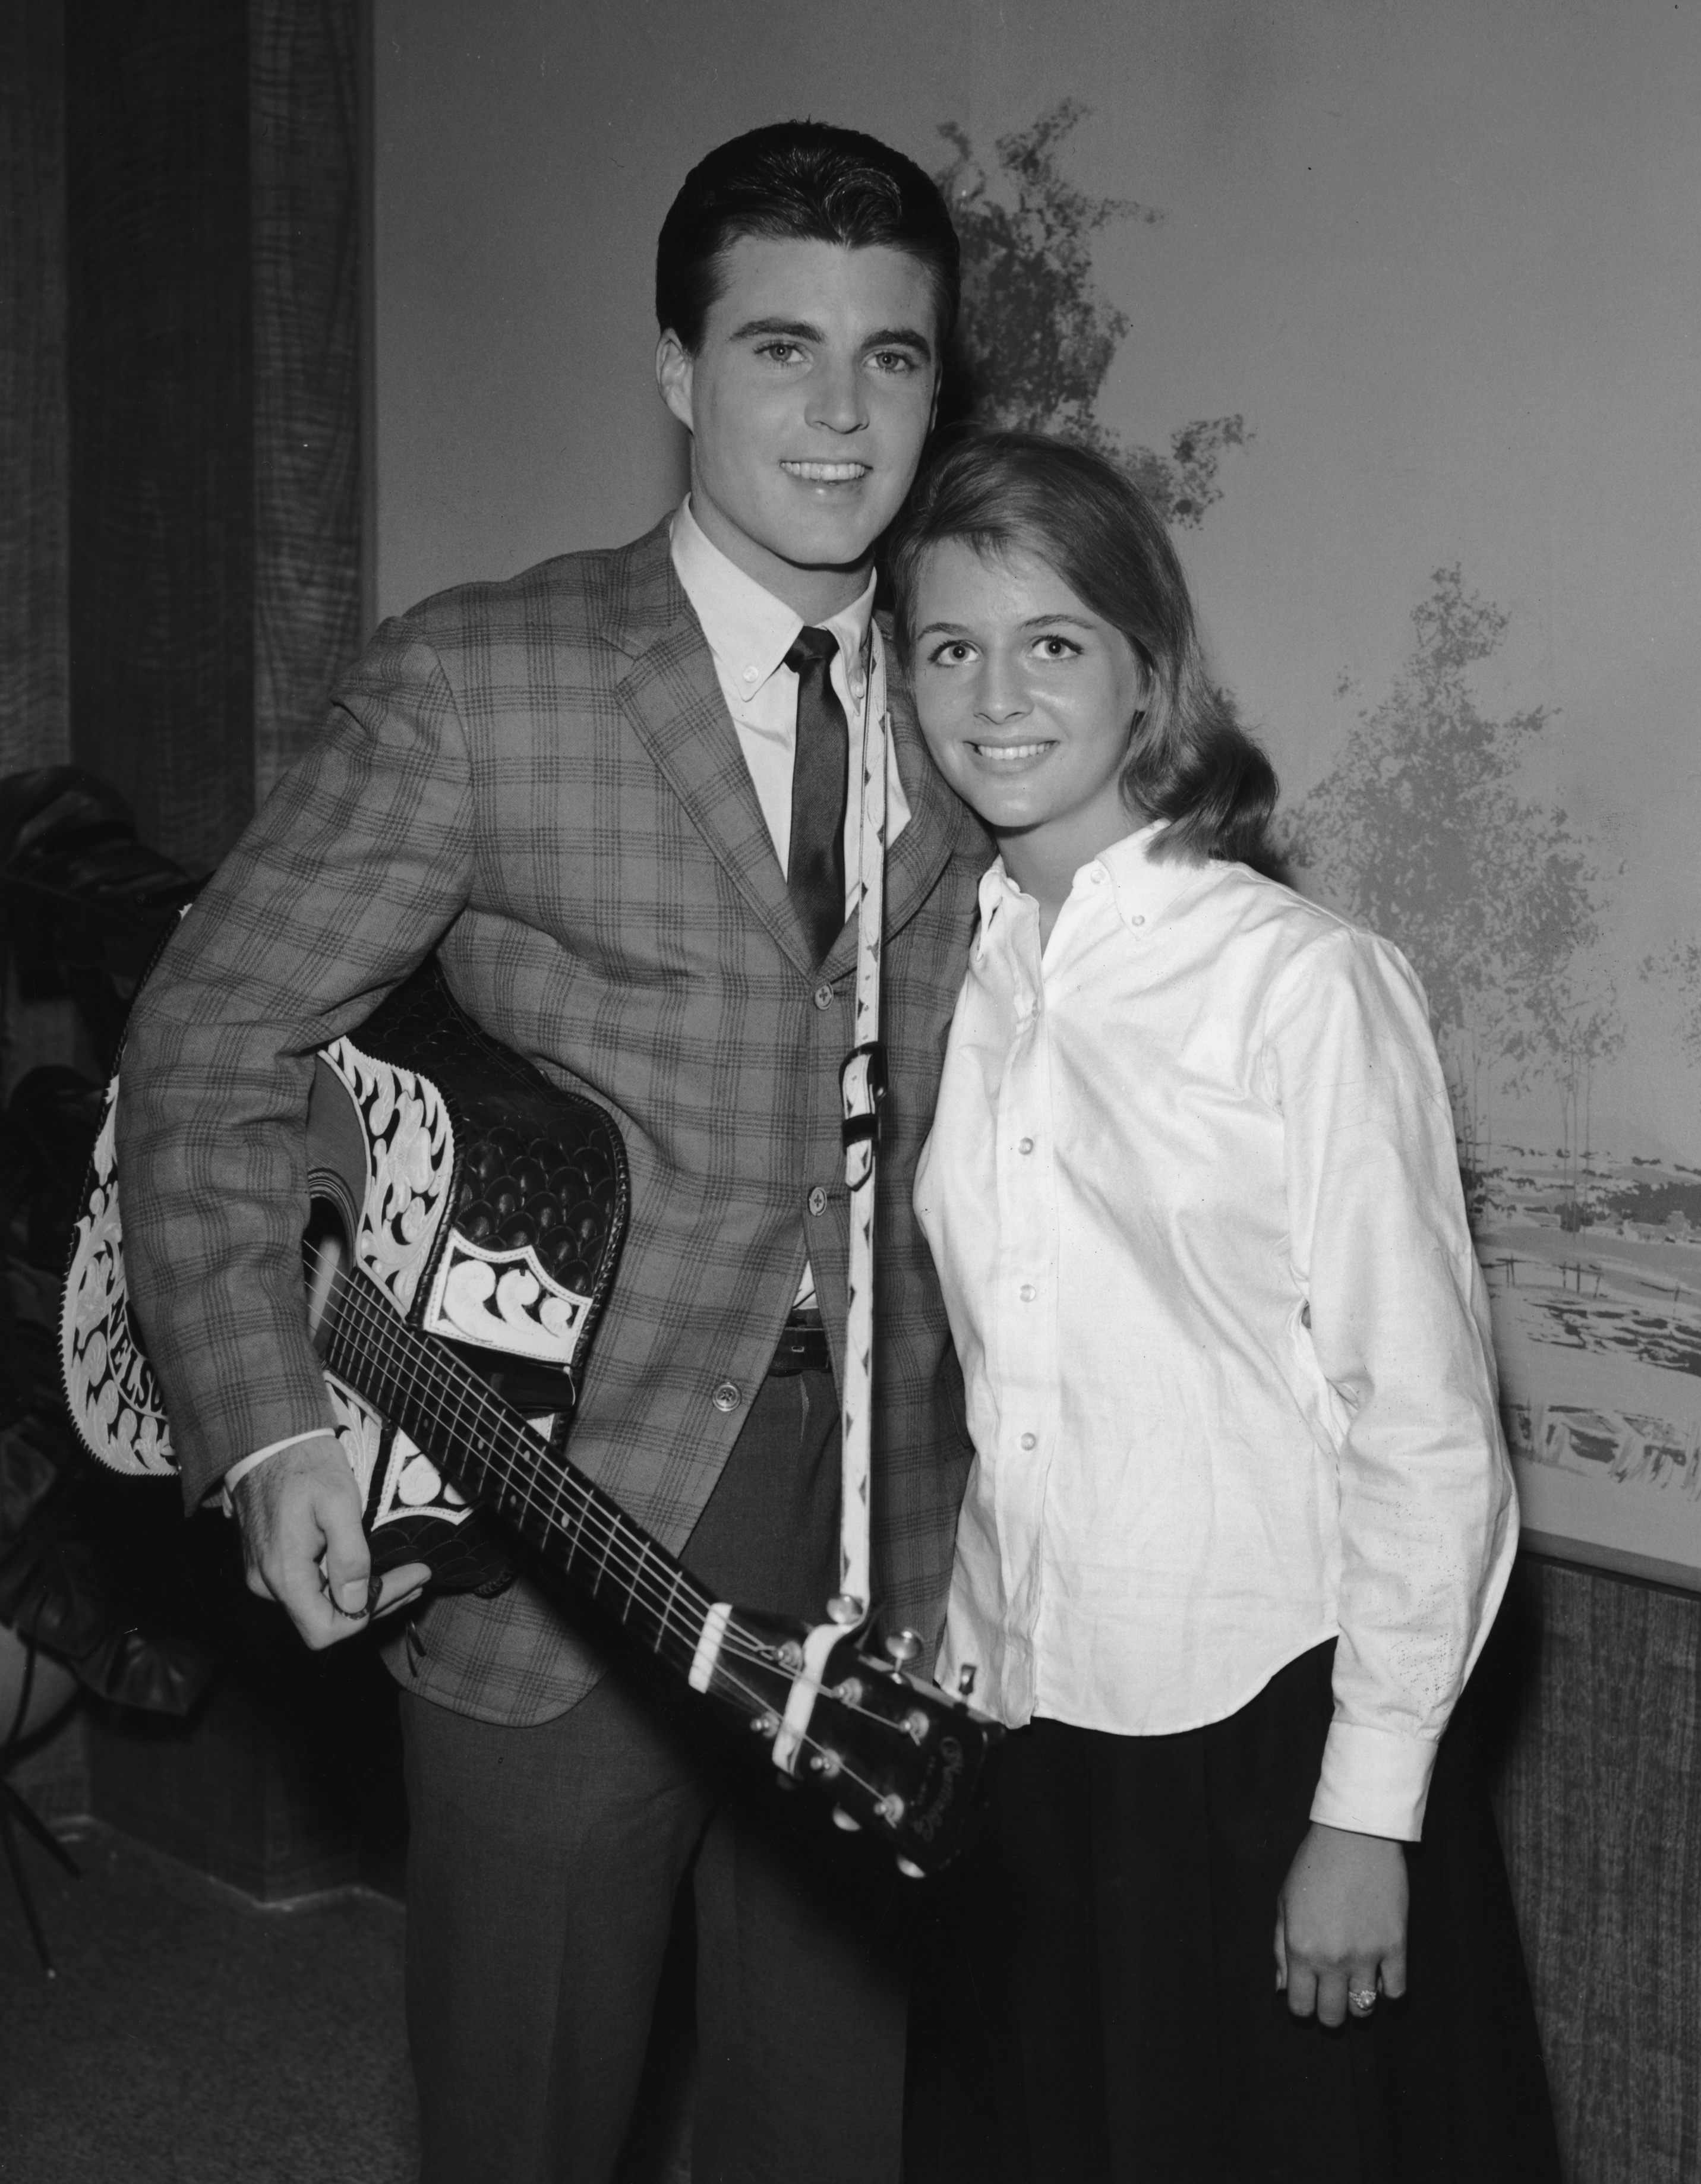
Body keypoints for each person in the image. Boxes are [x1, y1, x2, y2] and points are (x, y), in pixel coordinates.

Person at [116, 123, 992, 2184]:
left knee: (834, 2121)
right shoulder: (480, 676)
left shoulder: (986, 697)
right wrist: (264, 1429)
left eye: (896, 359)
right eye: (784, 348)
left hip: (885, 1526)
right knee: (530, 2118)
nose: (843, 413)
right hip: (548, 1513)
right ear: (680, 371)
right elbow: (209, 1037)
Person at [894, 431, 1560, 2183]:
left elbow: (1423, 1425)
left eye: (1051, 642)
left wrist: (1365, 1812)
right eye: (948, 646)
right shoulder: (960, 971)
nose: (995, 693)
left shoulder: (1305, 983)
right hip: (1018, 1707)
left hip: (1257, 1730)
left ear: (1145, 674)